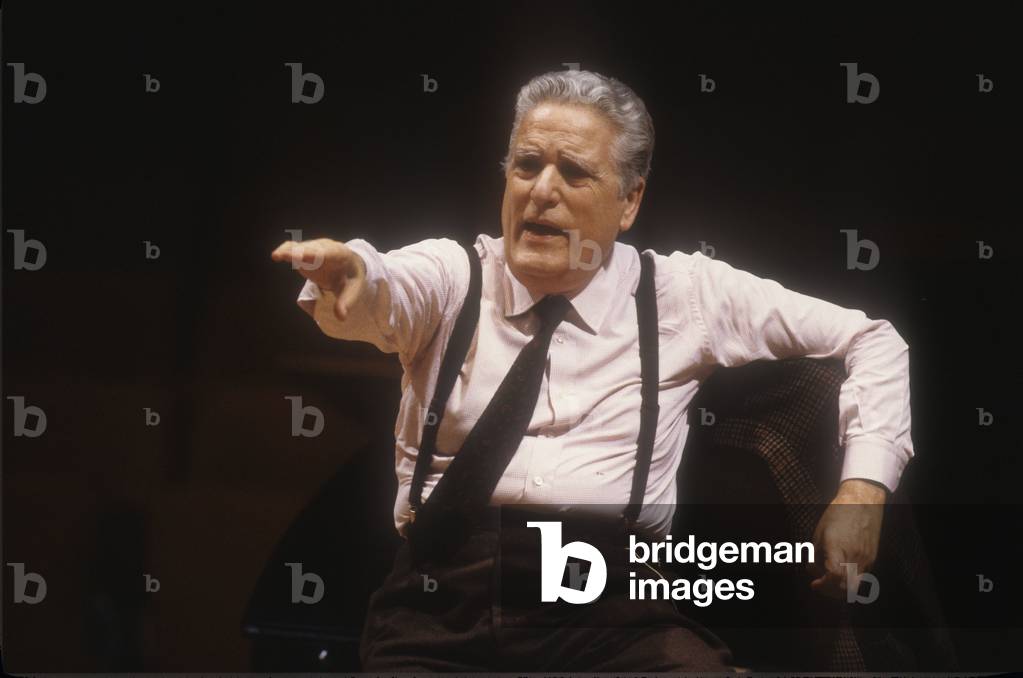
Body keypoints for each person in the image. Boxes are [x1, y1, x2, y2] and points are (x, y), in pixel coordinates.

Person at [271, 69, 911, 671]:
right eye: (527, 165)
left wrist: (863, 491)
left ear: (629, 201)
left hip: (610, 609)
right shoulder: (454, 278)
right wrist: (354, 274)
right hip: (440, 604)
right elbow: (386, 286)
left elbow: (871, 338)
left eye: (573, 172)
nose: (541, 191)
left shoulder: (682, 294)